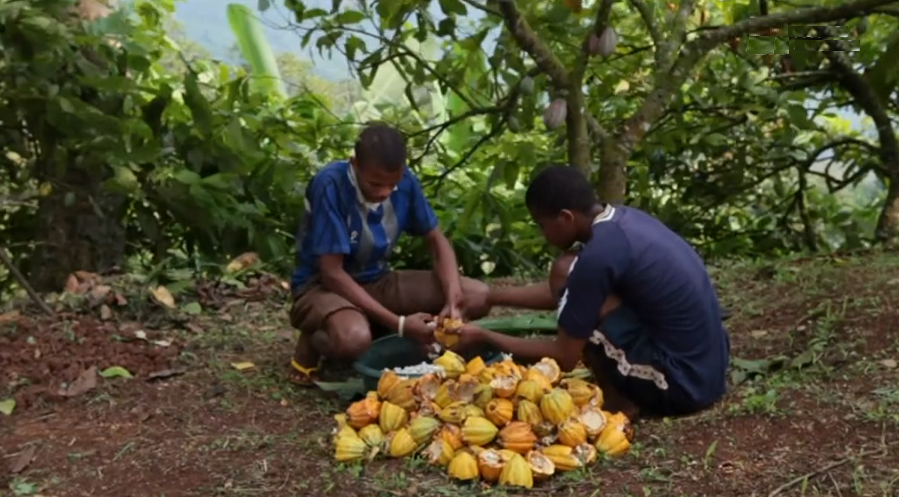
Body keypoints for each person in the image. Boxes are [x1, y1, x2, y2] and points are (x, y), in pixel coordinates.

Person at [450, 165, 730, 419]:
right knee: (568, 274)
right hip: (708, 369)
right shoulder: (622, 221)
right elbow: (573, 293)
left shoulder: (597, 257)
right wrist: (491, 297)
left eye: (542, 225)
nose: (543, 235)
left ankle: (622, 403)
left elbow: (564, 356)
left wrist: (485, 336)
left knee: (573, 289)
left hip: (680, 385)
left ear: (565, 217)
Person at [287, 123, 489, 385]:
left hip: (377, 280)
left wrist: (453, 298)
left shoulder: (406, 182)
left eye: (391, 185)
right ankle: (315, 338)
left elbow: (437, 240)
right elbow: (332, 273)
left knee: (476, 296)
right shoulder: (331, 185)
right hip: (323, 288)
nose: (383, 192)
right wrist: (401, 324)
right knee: (353, 338)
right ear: (354, 164)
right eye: (375, 183)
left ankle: (381, 327)